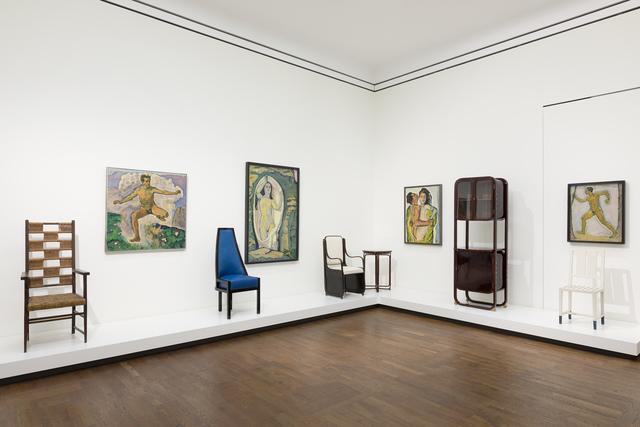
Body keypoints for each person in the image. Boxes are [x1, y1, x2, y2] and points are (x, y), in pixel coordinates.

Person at [114, 174, 181, 242]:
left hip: (153, 208)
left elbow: (163, 192)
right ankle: (137, 237)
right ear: (142, 182)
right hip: (144, 209)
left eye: (149, 181)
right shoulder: (138, 190)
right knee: (134, 215)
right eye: (146, 181)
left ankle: (157, 215)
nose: (148, 183)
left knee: (166, 214)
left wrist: (174, 193)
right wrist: (120, 201)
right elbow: (130, 197)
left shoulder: (152, 189)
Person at [255, 180, 282, 250]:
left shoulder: (271, 200)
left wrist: (280, 195)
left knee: (272, 240)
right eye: (266, 187)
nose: (268, 188)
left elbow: (277, 207)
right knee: (263, 242)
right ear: (263, 188)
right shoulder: (260, 197)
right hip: (263, 221)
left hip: (270, 221)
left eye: (269, 187)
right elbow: (257, 190)